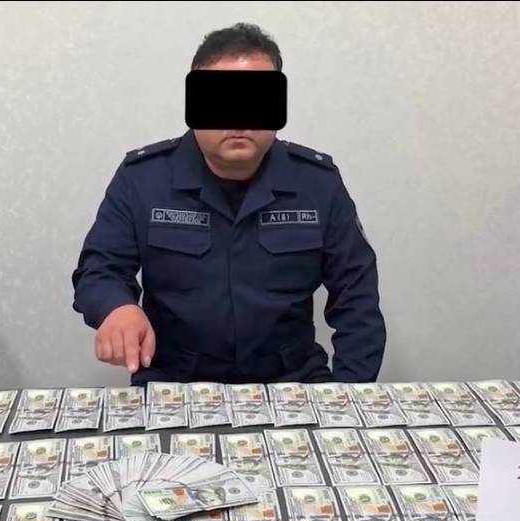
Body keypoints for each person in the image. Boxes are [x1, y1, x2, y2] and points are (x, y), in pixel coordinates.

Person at [72, 23, 385, 385]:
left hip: (291, 380)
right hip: (175, 382)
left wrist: (348, 396)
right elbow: (100, 269)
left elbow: (357, 297)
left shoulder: (318, 183)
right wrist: (116, 307)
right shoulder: (143, 179)